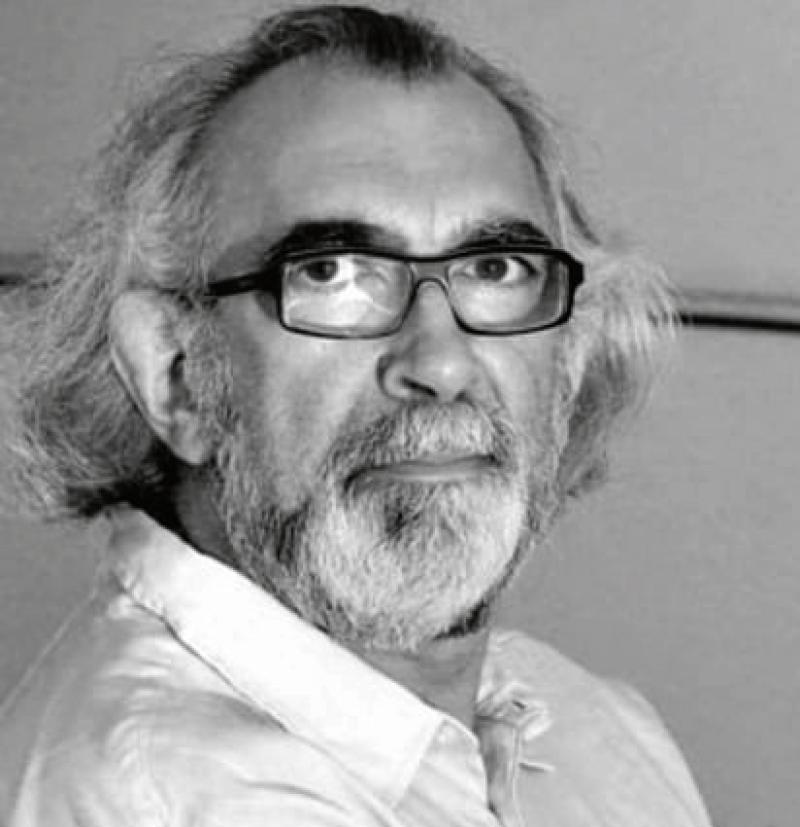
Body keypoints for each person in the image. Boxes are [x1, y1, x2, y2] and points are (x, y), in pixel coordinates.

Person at [0, 5, 712, 826]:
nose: (440, 364)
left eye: (495, 268)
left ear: (573, 351)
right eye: (332, 274)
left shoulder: (599, 731)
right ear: (173, 373)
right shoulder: (167, 798)